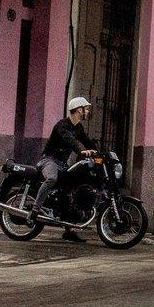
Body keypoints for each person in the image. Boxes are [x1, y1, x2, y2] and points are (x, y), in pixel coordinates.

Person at [40, 96, 98, 242]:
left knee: (70, 191)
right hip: (49, 160)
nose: (88, 111)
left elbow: (86, 141)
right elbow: (70, 141)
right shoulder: (62, 125)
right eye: (86, 109)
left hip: (62, 164)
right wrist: (81, 151)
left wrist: (100, 152)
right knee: (52, 178)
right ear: (79, 110)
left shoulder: (78, 127)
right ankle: (35, 210)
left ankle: (69, 230)